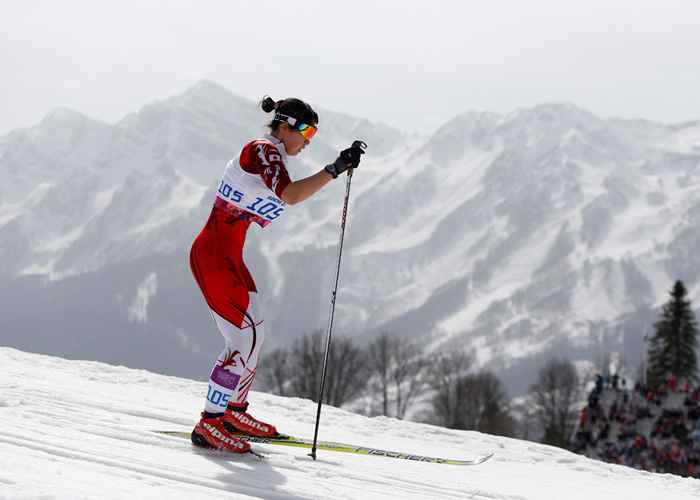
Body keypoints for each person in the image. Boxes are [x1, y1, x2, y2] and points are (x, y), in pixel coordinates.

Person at [188, 96, 365, 452]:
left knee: (256, 334)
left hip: (228, 255)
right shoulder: (263, 150)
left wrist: (336, 167)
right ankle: (209, 422)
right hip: (214, 254)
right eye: (307, 130)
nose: (309, 140)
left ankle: (233, 411)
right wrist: (334, 167)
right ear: (284, 125)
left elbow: (289, 192)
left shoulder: (276, 154)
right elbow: (290, 195)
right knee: (240, 342)